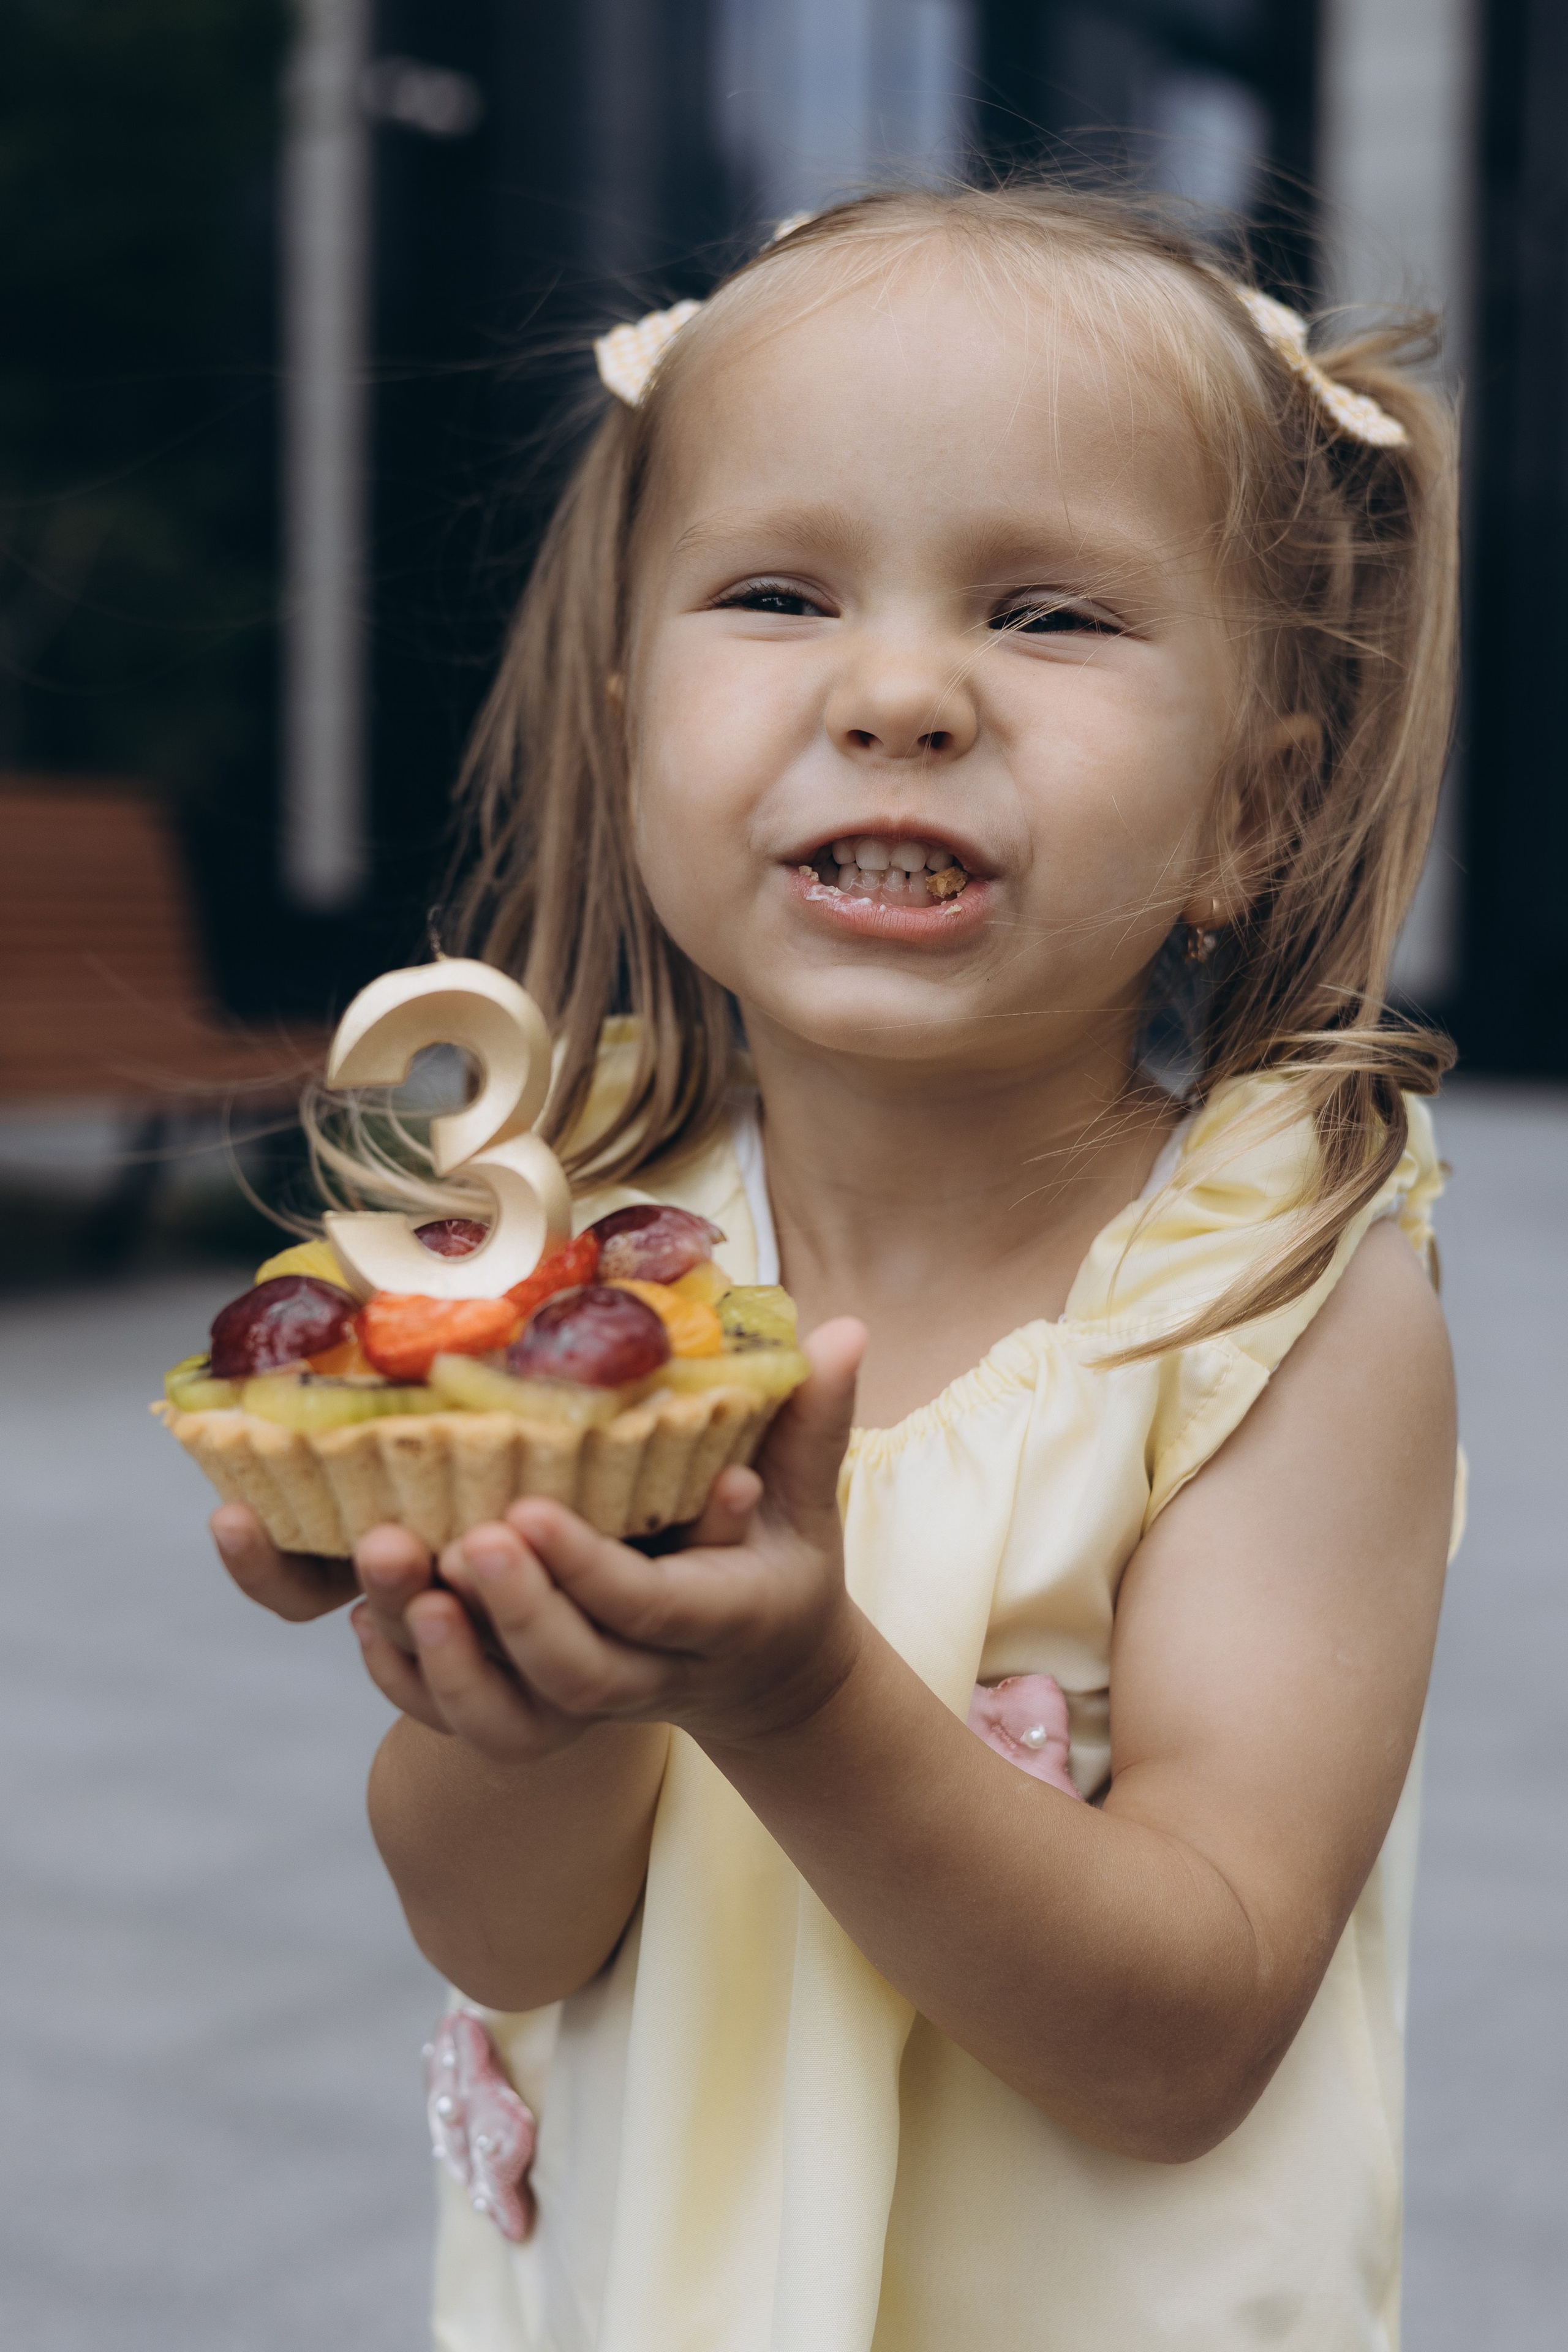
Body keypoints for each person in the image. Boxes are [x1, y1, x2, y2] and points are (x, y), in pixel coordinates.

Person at [211, 184, 1463, 2350]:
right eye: (781, 592)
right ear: (628, 729)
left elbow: (1187, 2039)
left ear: (1256, 806)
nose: (898, 692)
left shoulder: (1274, 1308)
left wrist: (789, 1697)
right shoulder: (575, 1270)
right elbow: (508, 1940)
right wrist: (521, 1692)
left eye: (1053, 615)